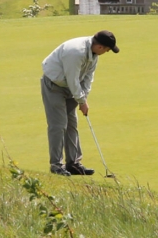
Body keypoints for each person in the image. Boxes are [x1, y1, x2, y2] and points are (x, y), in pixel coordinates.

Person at [41, 30, 119, 176]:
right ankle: (56, 165)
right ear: (100, 47)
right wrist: (81, 100)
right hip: (54, 85)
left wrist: (84, 98)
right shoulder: (76, 52)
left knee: (72, 123)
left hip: (71, 87)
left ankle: (73, 164)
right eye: (107, 50)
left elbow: (88, 77)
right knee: (58, 125)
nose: (107, 52)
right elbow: (72, 79)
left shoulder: (94, 54)